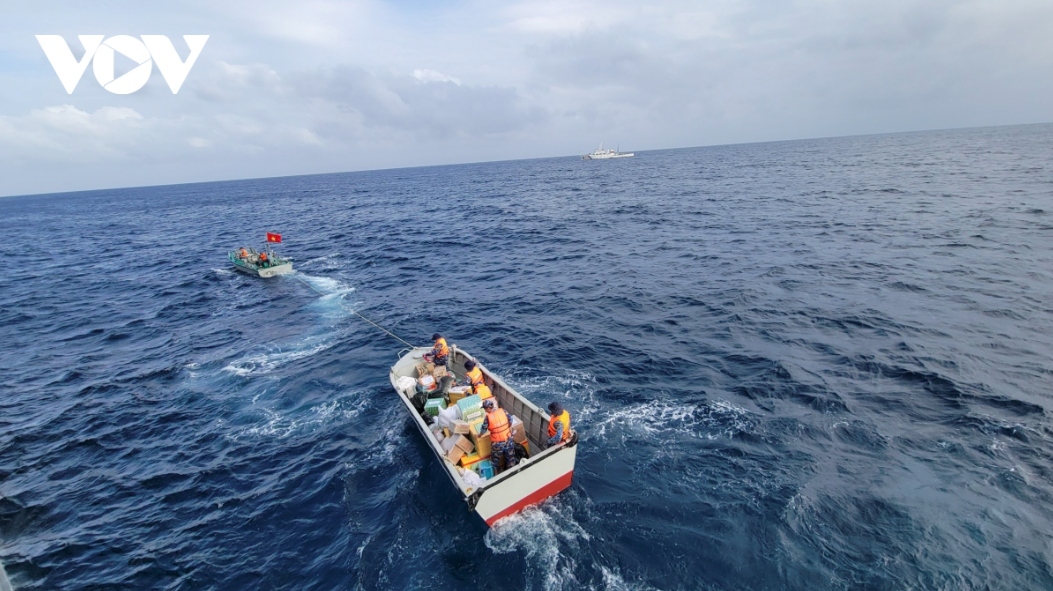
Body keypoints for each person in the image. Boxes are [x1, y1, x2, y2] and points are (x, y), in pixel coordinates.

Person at [480, 399, 516, 473]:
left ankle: (495, 475)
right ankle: (512, 473)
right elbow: (511, 420)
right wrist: (506, 428)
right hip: (508, 440)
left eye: (485, 409)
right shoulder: (503, 411)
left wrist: (478, 436)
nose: (485, 411)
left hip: (497, 444)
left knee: (495, 461)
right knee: (510, 459)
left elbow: (483, 430)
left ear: (488, 408)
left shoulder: (488, 418)